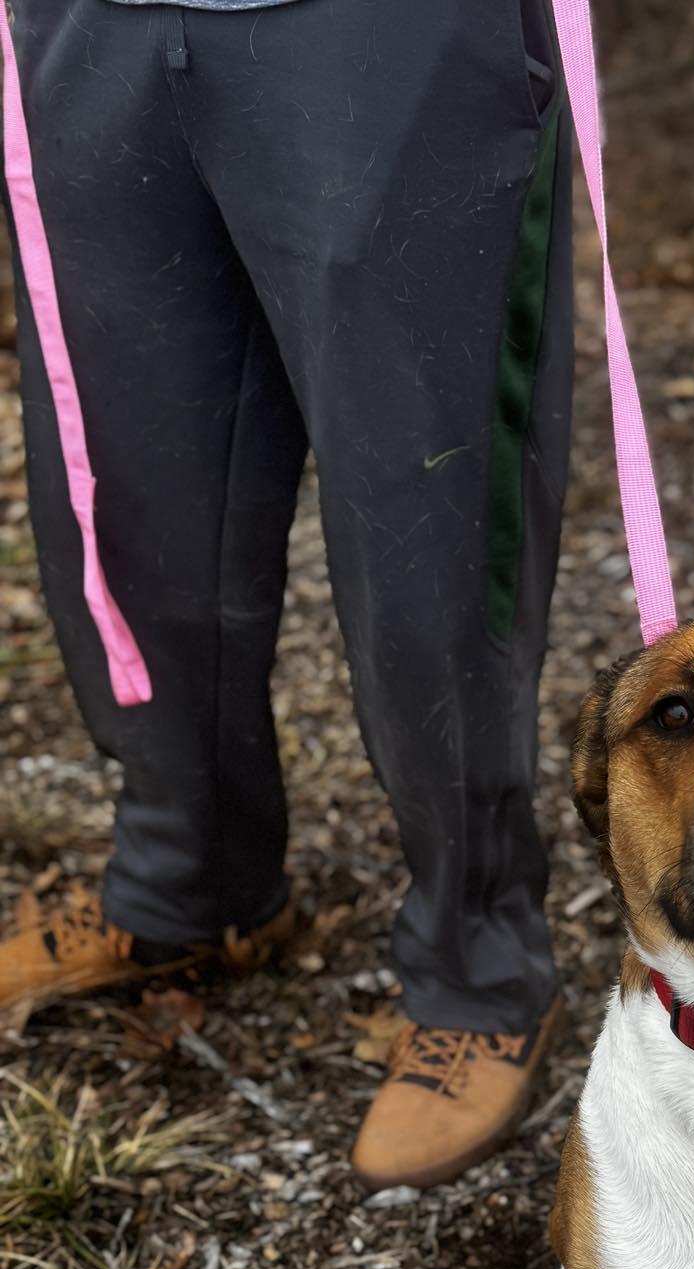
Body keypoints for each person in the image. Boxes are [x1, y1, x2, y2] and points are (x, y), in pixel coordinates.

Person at [0, 0, 573, 1191]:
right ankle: (185, 875)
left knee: (435, 526)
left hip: (384, 35)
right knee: (124, 498)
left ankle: (479, 962)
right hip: (83, 29)